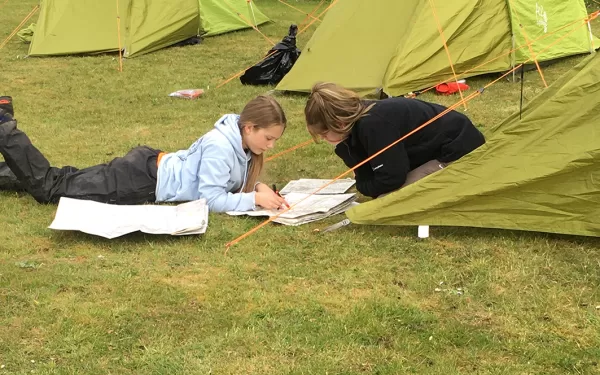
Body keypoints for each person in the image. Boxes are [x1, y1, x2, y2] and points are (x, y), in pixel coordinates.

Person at [0, 95, 287, 211]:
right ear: (248, 127)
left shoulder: (241, 143)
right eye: (269, 138)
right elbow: (210, 199)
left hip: (147, 168)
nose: (271, 146)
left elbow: (225, 180)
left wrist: (258, 187)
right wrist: (253, 199)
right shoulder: (221, 145)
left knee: (66, 179)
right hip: (140, 180)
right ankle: (4, 125)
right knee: (51, 188)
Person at [304, 82, 485, 198]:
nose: (323, 138)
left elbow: (391, 179)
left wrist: (363, 185)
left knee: (386, 200)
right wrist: (345, 148)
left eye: (324, 133)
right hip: (431, 150)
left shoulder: (373, 124)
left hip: (458, 152)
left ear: (340, 123)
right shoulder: (360, 119)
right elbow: (368, 169)